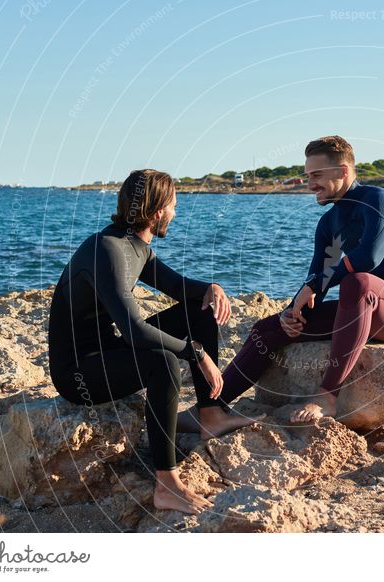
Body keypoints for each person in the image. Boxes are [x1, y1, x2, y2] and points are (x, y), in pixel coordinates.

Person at [178, 135, 384, 427]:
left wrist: (316, 285)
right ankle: (209, 409)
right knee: (266, 329)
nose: (311, 183)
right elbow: (315, 278)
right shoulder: (328, 223)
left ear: (344, 170)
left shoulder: (378, 200)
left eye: (318, 175)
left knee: (358, 282)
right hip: (360, 311)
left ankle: (328, 396)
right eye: (308, 175)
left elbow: (369, 257)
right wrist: (291, 314)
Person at [48, 169, 257, 515]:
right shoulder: (107, 249)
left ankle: (210, 414)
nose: (176, 214)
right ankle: (167, 484)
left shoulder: (135, 246)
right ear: (158, 211)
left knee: (200, 311)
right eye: (174, 206)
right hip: (78, 373)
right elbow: (135, 331)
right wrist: (197, 353)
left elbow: (175, 285)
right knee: (163, 361)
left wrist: (212, 288)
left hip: (109, 349)